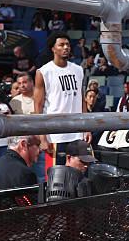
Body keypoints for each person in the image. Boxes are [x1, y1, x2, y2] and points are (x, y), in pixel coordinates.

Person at [34, 33, 90, 171]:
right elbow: (38, 106)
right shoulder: (43, 72)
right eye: (61, 45)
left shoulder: (78, 70)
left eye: (68, 45)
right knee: (56, 177)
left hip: (77, 133)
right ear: (53, 48)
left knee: (80, 174)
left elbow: (82, 100)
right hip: (55, 135)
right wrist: (42, 137)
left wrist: (87, 127)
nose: (66, 47)